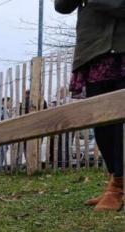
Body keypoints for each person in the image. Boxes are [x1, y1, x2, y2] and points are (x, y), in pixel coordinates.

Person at [56, 0, 125, 211]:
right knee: (101, 122)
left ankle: (118, 187)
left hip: (122, 49)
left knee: (121, 123)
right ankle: (115, 181)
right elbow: (62, 5)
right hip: (94, 52)